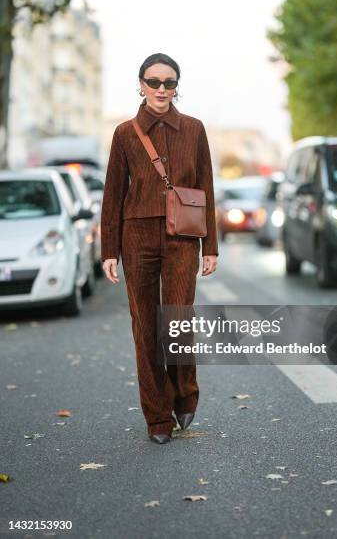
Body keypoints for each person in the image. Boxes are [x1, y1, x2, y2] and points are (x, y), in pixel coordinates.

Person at [100, 53, 219, 444]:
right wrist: (109, 250)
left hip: (183, 237)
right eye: (154, 82)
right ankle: (157, 417)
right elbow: (113, 194)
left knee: (178, 320)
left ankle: (185, 393)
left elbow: (206, 188)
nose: (161, 90)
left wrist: (210, 246)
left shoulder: (194, 129)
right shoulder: (124, 134)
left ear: (176, 87)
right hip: (136, 239)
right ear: (140, 84)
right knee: (145, 328)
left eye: (169, 83)